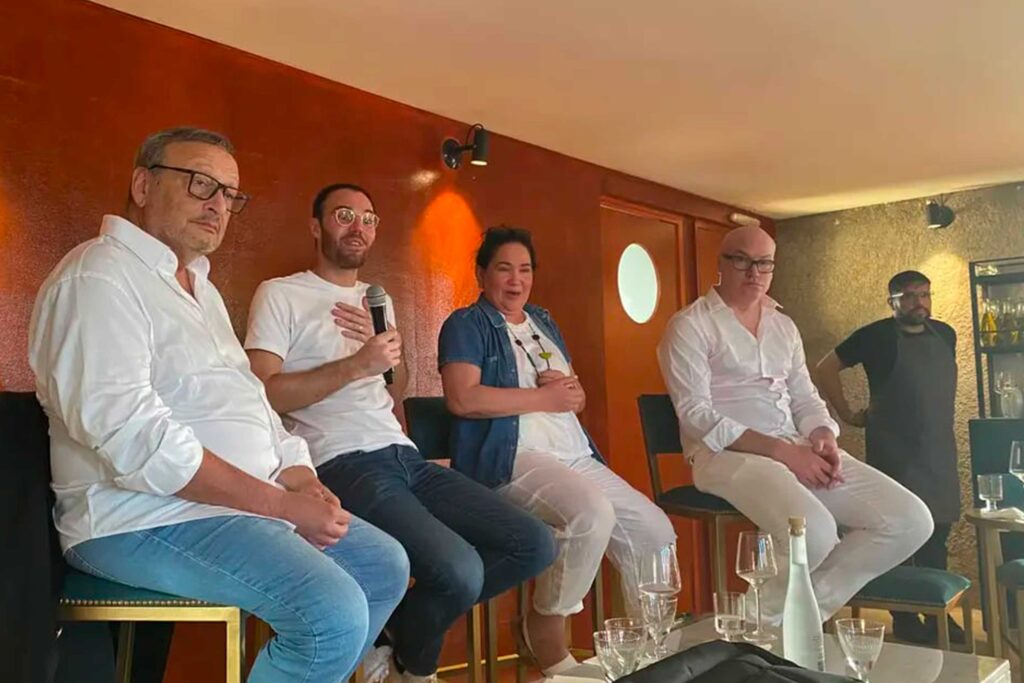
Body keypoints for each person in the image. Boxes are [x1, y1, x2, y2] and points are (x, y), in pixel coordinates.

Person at [28, 127, 410, 683]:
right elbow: (132, 437)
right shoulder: (99, 276)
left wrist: (299, 477)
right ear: (142, 185)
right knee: (332, 614)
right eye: (200, 183)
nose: (218, 205)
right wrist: (280, 506)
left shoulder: (199, 288)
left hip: (229, 507)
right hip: (138, 516)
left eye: (230, 195)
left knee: (383, 564)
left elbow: (252, 400)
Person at [245, 185, 556, 683]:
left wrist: (385, 353)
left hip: (403, 456)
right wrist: (356, 363)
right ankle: (415, 668)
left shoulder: (378, 299)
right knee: (459, 570)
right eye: (344, 215)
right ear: (315, 226)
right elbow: (262, 393)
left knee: (534, 543)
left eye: (369, 218)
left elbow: (395, 388)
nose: (358, 227)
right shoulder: (281, 294)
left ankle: (386, 633)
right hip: (339, 461)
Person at [656, 225, 933, 624]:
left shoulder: (782, 326)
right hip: (723, 454)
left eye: (764, 263)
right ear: (721, 263)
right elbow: (695, 414)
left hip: (796, 445)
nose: (754, 272)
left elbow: (805, 396)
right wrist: (784, 452)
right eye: (742, 260)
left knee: (910, 521)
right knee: (814, 534)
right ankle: (759, 629)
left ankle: (794, 617)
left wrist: (823, 434)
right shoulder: (690, 325)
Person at [438, 226, 676, 677]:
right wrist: (543, 399)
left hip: (574, 454)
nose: (516, 280)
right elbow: (462, 399)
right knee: (590, 513)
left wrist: (571, 394)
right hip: (511, 457)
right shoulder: (467, 324)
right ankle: (546, 626)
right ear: (481, 274)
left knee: (654, 531)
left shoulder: (543, 321)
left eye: (525, 270)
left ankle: (649, 651)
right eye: (504, 269)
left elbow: (573, 395)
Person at [816, 270, 961, 644]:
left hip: (938, 449)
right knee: (901, 530)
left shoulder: (946, 334)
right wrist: (846, 413)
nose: (919, 302)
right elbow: (824, 368)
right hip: (894, 451)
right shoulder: (875, 336)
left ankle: (938, 616)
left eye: (924, 294)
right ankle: (905, 616)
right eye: (909, 296)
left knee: (938, 533)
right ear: (892, 301)